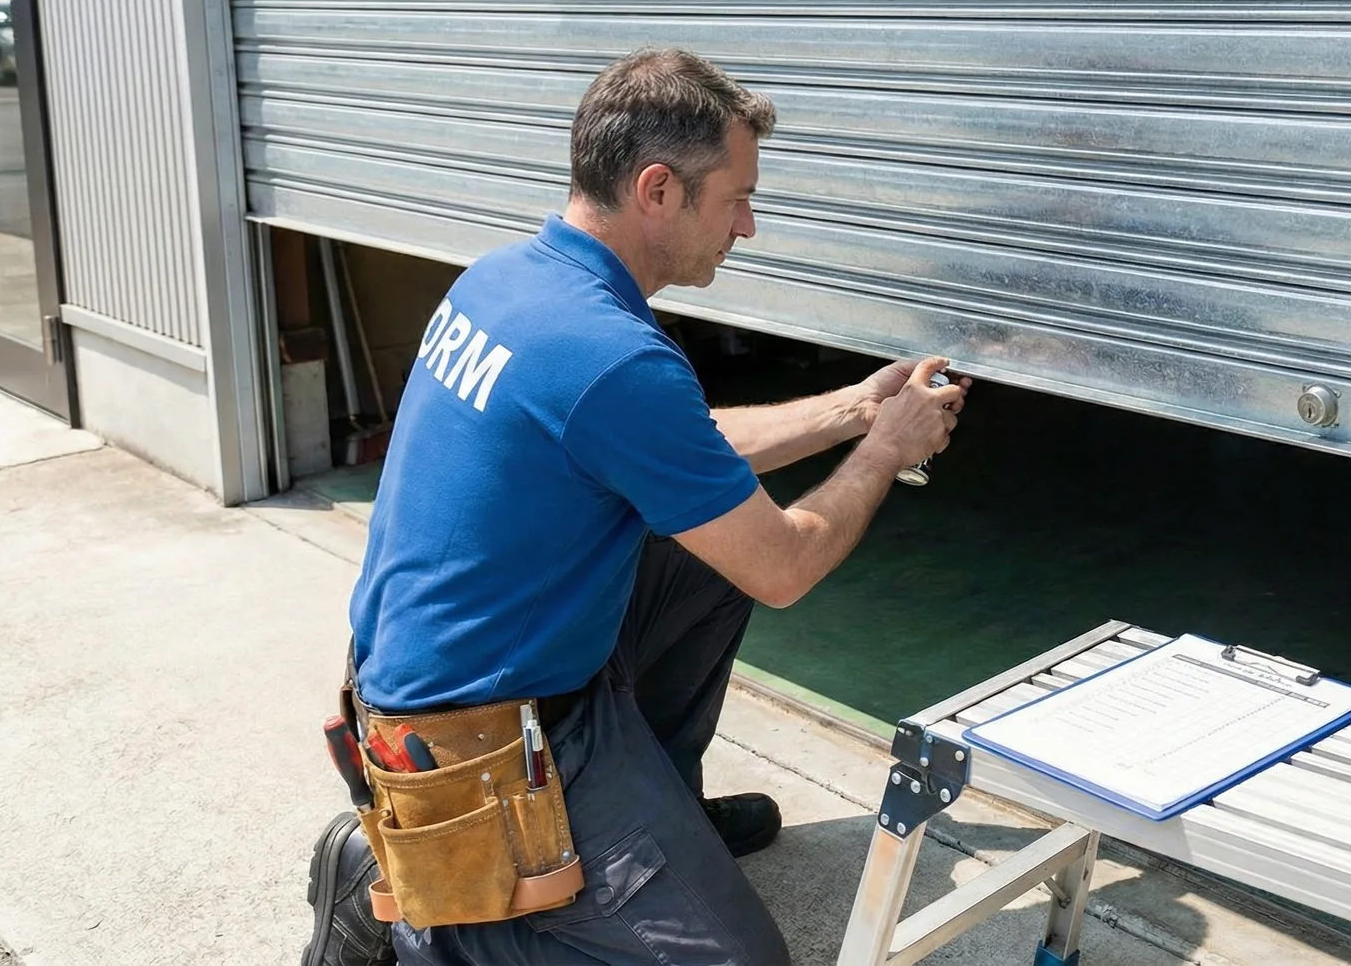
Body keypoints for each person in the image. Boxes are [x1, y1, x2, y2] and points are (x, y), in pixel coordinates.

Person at [300, 48, 970, 966]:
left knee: (703, 551)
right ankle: (410, 908)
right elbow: (782, 564)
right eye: (736, 196)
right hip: (478, 751)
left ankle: (656, 813)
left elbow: (676, 451)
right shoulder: (613, 355)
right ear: (658, 189)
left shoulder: (508, 279)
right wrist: (886, 451)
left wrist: (852, 408)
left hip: (431, 680)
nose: (750, 223)